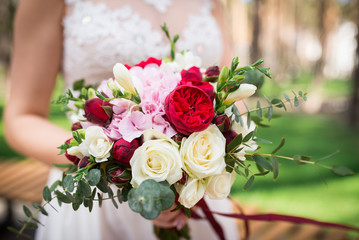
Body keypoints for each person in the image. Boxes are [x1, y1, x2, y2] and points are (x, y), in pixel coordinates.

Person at [4, 0, 239, 239]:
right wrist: (107, 163)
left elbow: (229, 95)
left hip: (194, 195)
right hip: (99, 199)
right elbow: (22, 118)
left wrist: (201, 164)